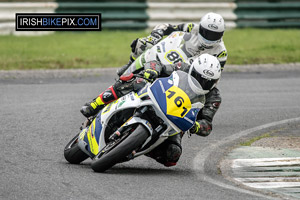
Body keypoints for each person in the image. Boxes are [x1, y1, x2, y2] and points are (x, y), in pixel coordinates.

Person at [81, 54, 222, 167]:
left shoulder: (213, 97)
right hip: (154, 96)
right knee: (132, 80)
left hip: (173, 124)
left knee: (172, 155)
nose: (203, 83)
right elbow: (157, 63)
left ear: (215, 82)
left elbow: (207, 125)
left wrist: (196, 126)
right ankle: (95, 104)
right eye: (199, 77)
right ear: (193, 69)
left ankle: (135, 146)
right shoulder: (182, 67)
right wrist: (152, 70)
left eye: (208, 81)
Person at [117, 12, 227, 76]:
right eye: (206, 33)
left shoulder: (221, 52)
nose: (209, 37)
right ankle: (130, 64)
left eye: (214, 35)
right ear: (201, 28)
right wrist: (156, 34)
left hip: (191, 74)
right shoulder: (192, 28)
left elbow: (215, 76)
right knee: (143, 44)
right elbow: (170, 27)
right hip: (176, 58)